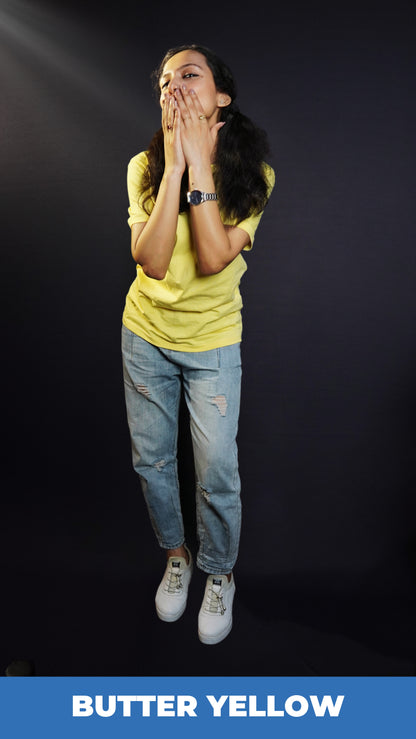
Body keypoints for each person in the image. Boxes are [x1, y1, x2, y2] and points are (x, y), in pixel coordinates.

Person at [121, 43, 274, 645]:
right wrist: (176, 168)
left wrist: (202, 166)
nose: (174, 88)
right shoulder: (143, 166)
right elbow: (153, 262)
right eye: (164, 81)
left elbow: (212, 258)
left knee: (216, 472)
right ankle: (178, 557)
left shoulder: (255, 175)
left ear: (222, 99)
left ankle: (220, 571)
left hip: (212, 342)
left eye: (189, 75)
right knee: (153, 462)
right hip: (147, 337)